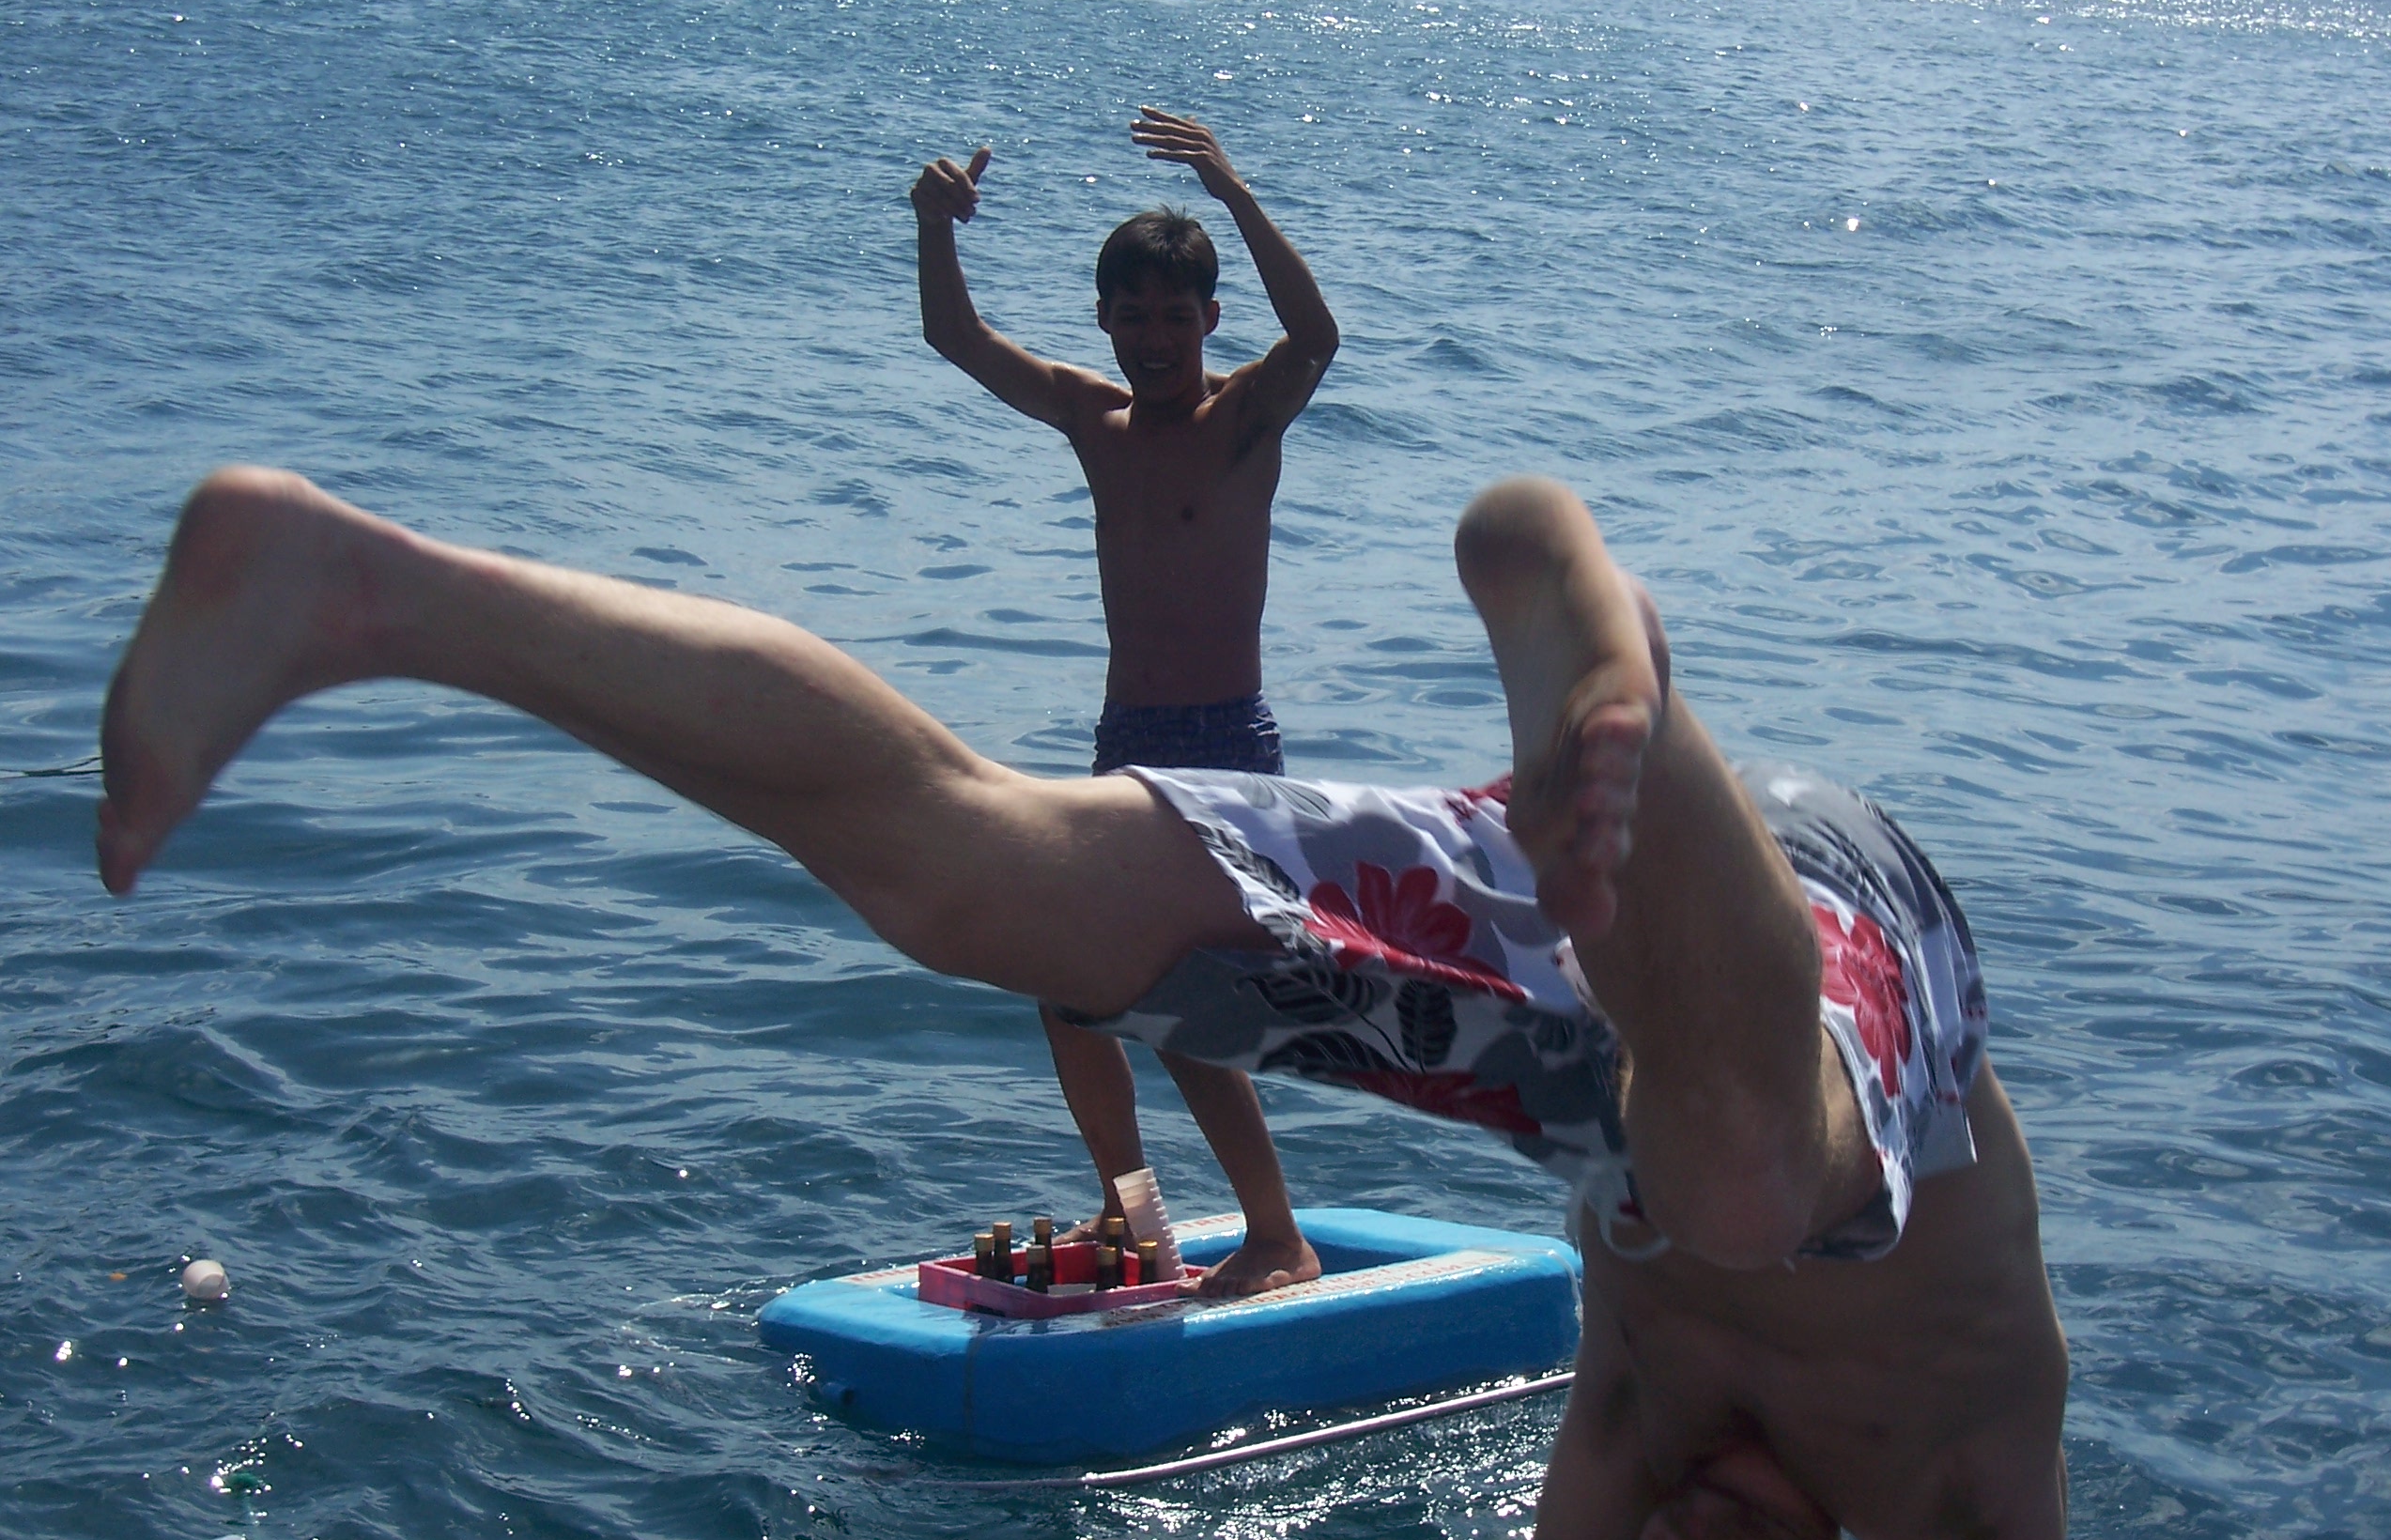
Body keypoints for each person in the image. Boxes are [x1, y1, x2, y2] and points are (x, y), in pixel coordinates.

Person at [98, 468, 2068, 1537]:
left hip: (1595, 1009)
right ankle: (1575, 603)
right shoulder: (1956, 1480)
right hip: (1820, 945)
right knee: (1740, 1175)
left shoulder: (1628, 1452)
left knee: (979, 884)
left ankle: (357, 591)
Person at [909, 107, 1340, 1294]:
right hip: (1128, 748)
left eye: (1175, 315)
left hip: (1221, 753)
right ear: (1104, 321)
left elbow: (1316, 333)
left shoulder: (1244, 418)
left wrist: (1232, 186)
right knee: (1069, 988)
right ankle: (1136, 1219)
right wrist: (931, 221)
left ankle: (1276, 1238)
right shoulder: (1093, 421)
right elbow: (952, 334)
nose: (1154, 337)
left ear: (1209, 321)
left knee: (1168, 1001)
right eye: (1132, 316)